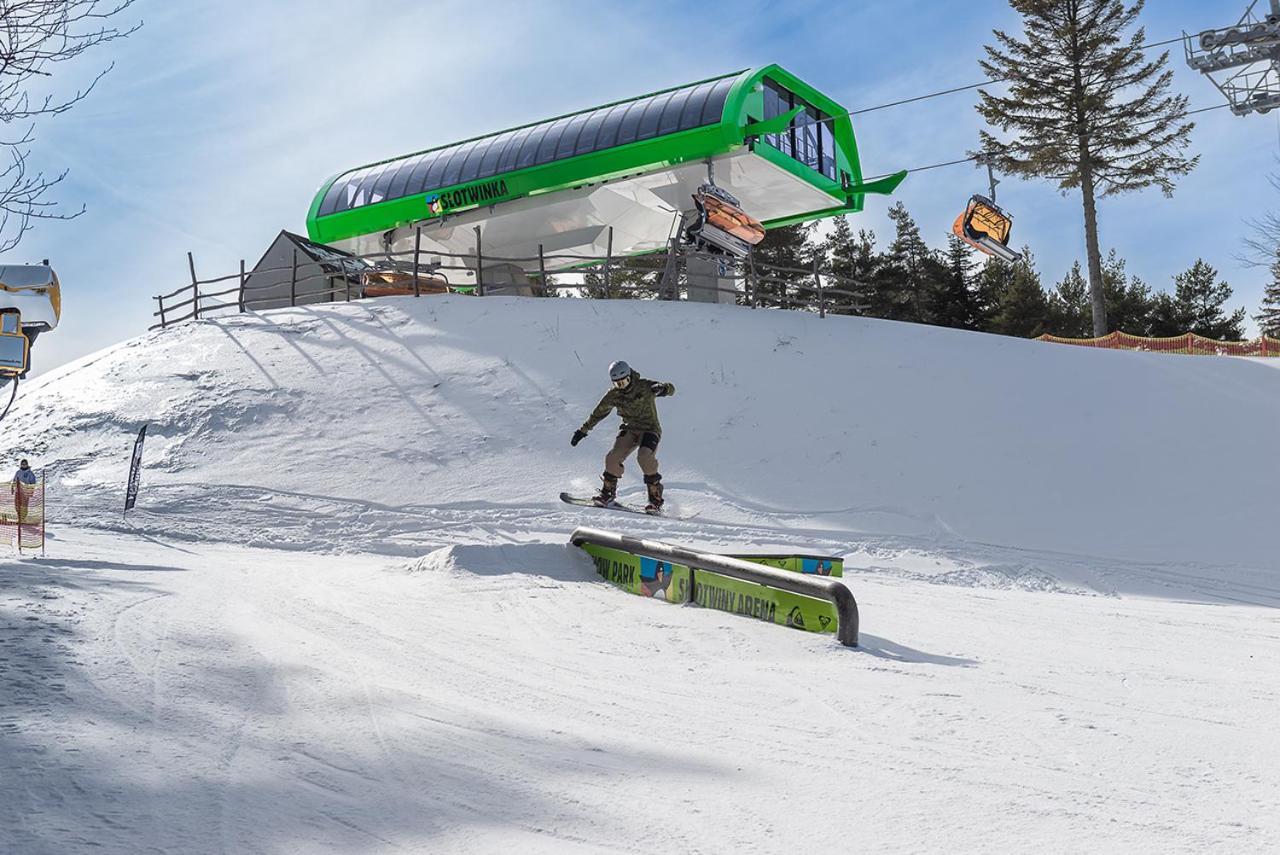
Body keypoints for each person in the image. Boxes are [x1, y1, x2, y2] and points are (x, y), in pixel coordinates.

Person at [571, 360, 675, 511]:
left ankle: (655, 498)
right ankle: (607, 494)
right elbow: (598, 413)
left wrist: (663, 388)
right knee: (612, 458)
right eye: (617, 384)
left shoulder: (645, 386)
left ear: (630, 377)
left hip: (650, 429)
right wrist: (583, 431)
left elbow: (672, 389)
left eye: (624, 382)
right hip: (630, 429)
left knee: (644, 457)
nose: (622, 386)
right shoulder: (613, 395)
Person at [11, 459, 36, 524]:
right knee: (17, 505)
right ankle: (19, 518)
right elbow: (14, 480)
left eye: (25, 464)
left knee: (24, 506)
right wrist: (13, 488)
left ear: (27, 465)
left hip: (25, 492)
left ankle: (23, 518)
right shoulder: (18, 472)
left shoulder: (30, 473)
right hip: (18, 491)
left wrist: (31, 491)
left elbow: (33, 483)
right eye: (22, 464)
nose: (24, 465)